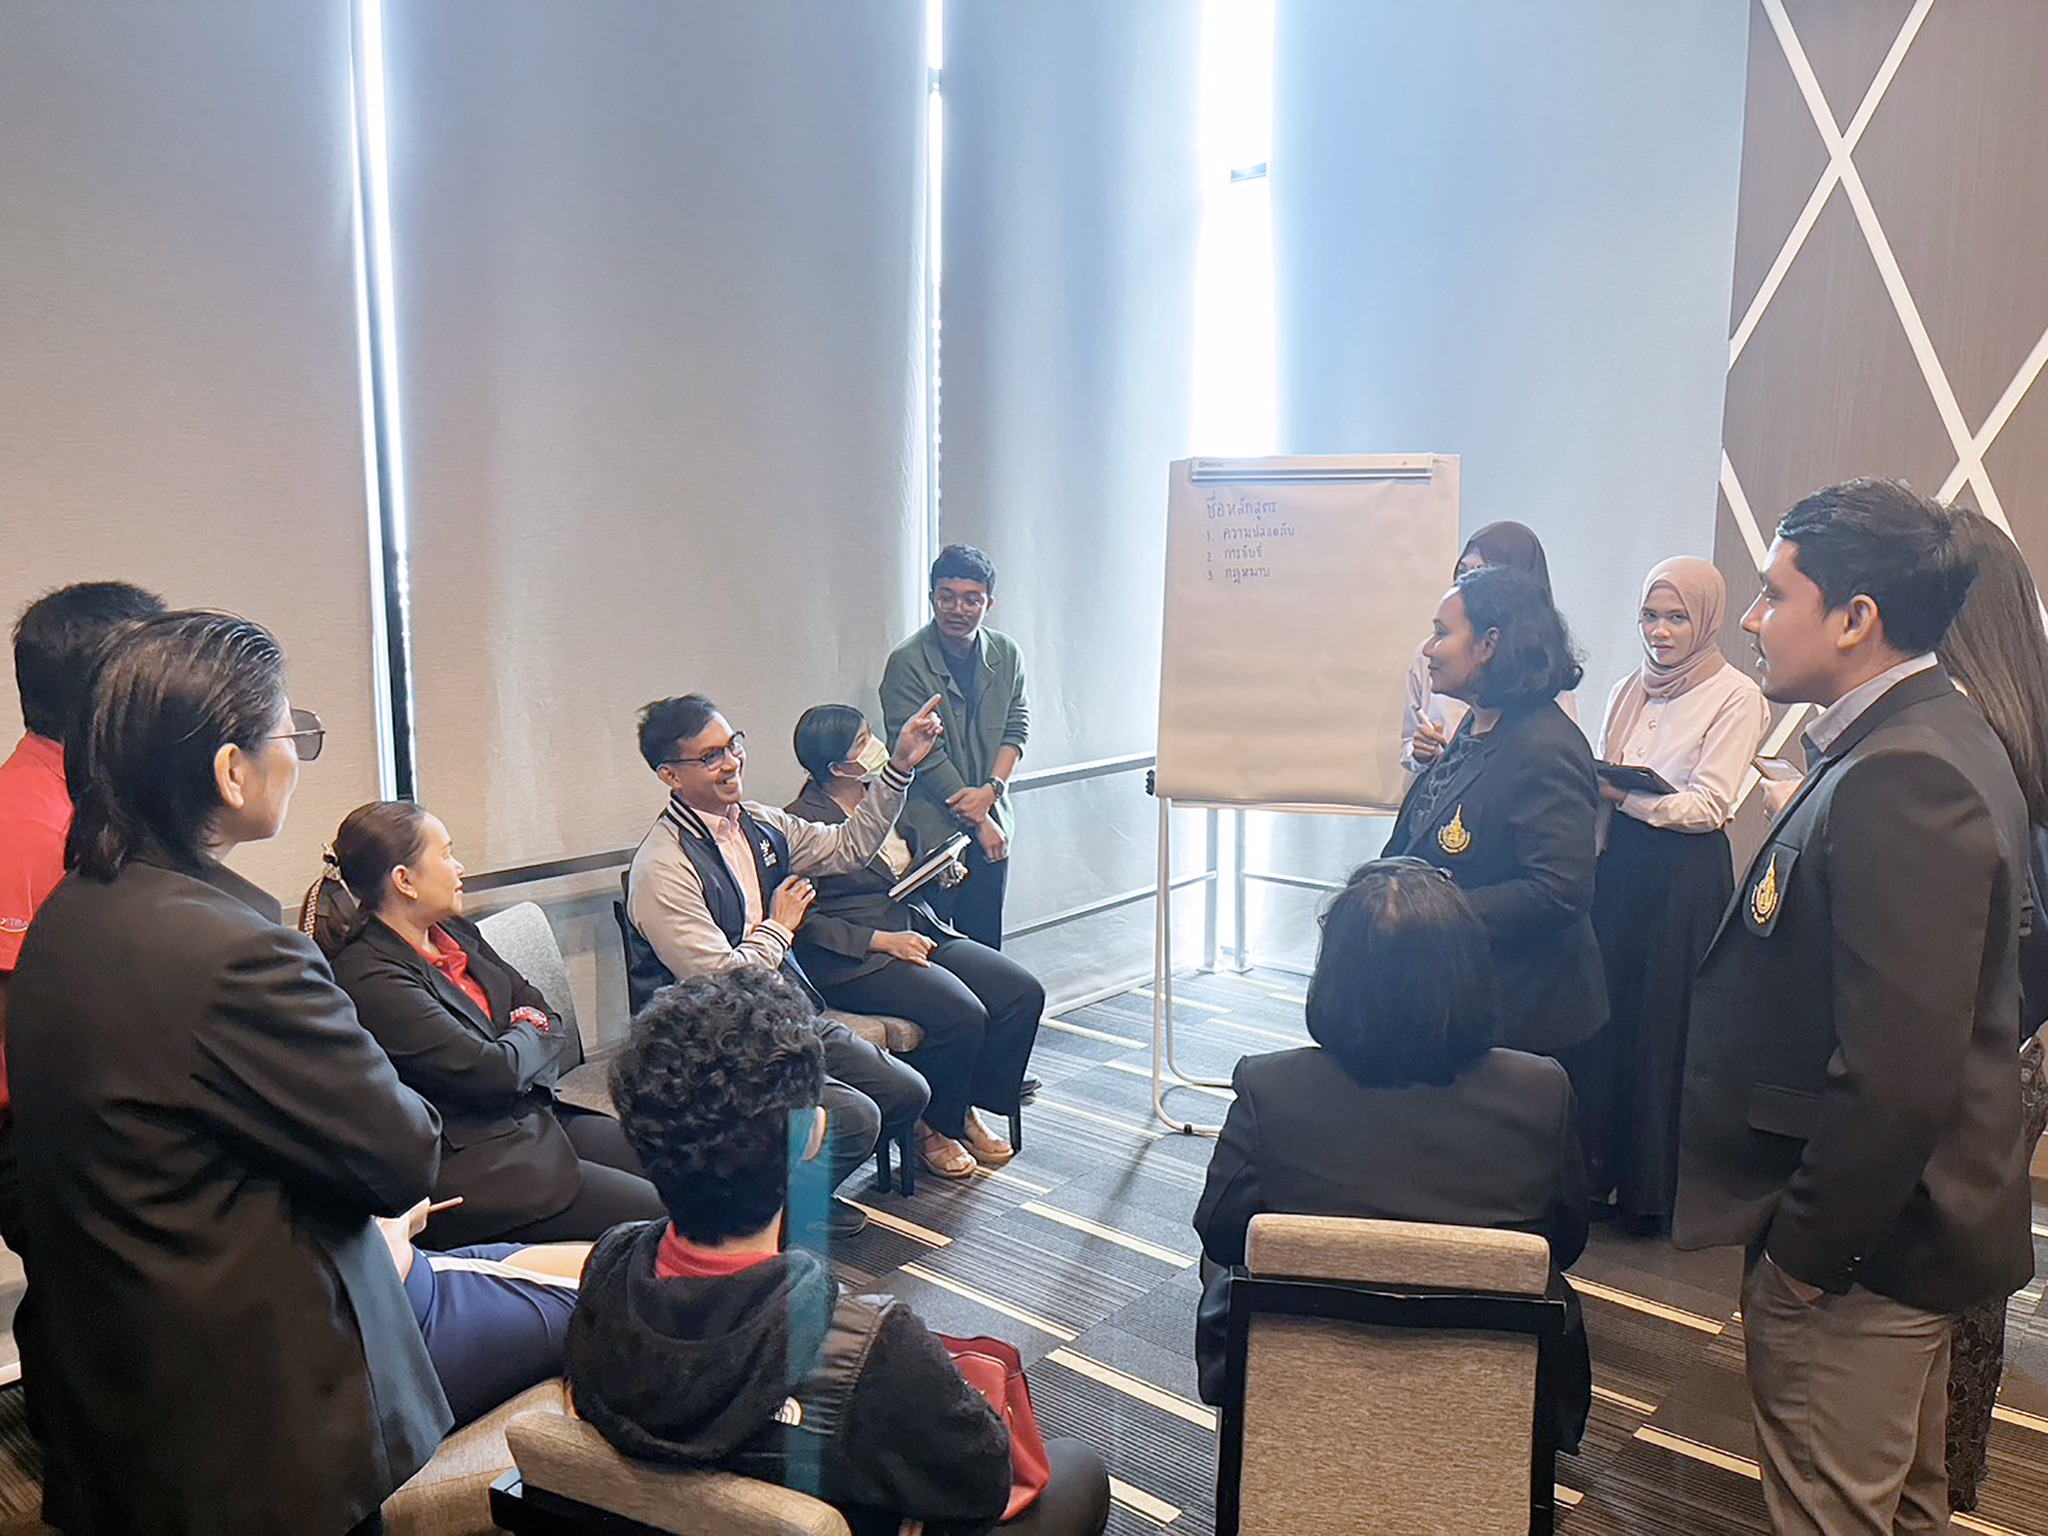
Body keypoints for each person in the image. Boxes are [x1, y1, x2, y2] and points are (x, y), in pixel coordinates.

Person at [6, 611, 449, 1534]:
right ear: (230, 770)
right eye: (292, 735)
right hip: (262, 1414)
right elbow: (403, 1155)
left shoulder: (70, 915)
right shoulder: (237, 952)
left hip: (136, 1380)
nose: (297, 757)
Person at [1674, 480, 2033, 1534]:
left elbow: (1896, 1072)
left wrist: (1804, 1258)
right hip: (1900, 1234)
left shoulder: (1904, 771)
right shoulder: (1926, 734)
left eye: (1773, 593)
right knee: (1902, 1507)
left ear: (1854, 618)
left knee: (1831, 1510)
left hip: (1864, 1254)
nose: (1751, 620)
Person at [565, 968, 1112, 1536]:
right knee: (1079, 1471)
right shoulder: (867, 1343)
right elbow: (982, 1483)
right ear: (812, 1136)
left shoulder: (606, 1268)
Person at [1191, 858, 1592, 1452]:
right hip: (1494, 1396)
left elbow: (1221, 1235)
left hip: (1297, 1387)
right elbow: (1567, 1242)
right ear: (1471, 970)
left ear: (1334, 973)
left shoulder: (1270, 1088)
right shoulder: (1541, 1091)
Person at [623, 691, 945, 1239]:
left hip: (780, 1017)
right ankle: (760, 1220)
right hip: (711, 1044)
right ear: (670, 776)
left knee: (906, 1091)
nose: (731, 763)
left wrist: (898, 768)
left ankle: (794, 1199)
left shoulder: (760, 822)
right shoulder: (663, 865)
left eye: (733, 745)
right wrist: (779, 925)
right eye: (710, 757)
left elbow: (849, 847)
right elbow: (723, 979)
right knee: (855, 1116)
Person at [313, 801, 666, 1247]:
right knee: (666, 1217)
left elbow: (540, 1009)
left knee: (682, 1167)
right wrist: (526, 1032)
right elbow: (492, 1071)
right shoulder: (370, 977)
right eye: (446, 854)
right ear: (404, 880)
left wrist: (519, 1039)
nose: (458, 867)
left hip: (534, 1119)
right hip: (483, 1166)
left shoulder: (453, 932)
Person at [1575, 558, 1770, 1234]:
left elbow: (1709, 806)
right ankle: (1594, 1177)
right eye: (1650, 616)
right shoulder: (1627, 688)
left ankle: (1651, 1193)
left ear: (1706, 620)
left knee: (1661, 1028)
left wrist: (1622, 796)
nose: (1660, 632)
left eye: (1677, 618)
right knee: (1606, 1019)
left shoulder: (1737, 695)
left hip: (1682, 878)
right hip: (1619, 871)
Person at [785, 704, 1042, 1179]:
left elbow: (901, 869)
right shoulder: (800, 822)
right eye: (863, 742)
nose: (876, 747)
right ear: (837, 767)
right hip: (856, 956)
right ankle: (933, 1127)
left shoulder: (885, 794)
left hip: (917, 923)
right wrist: (880, 940)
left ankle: (964, 1104)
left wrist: (940, 869)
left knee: (1020, 992)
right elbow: (806, 921)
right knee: (962, 1013)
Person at [1933, 507, 2048, 1513]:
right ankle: (1949, 1471)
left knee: (1941, 1269)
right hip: (2023, 1042)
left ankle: (1929, 1471)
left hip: (1981, 1040)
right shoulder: (2026, 724)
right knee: (1976, 1264)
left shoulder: (1964, 741)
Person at [1380, 564, 1607, 1056]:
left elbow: (1560, 891)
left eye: (1442, 633)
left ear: (1488, 645)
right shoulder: (1480, 722)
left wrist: (1426, 910)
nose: (1428, 649)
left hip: (1521, 1016)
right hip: (1465, 994)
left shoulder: (1546, 747)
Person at [0, 581, 162, 1263]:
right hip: (64, 1143)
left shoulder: (88, 801)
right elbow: (36, 1035)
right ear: (110, 694)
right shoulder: (27, 827)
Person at [881, 544, 1029, 950]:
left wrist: (992, 792)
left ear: (988, 603)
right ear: (932, 598)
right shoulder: (907, 662)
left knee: (986, 940)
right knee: (939, 947)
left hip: (993, 815)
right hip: (933, 826)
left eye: (971, 599)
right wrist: (980, 819)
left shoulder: (1006, 653)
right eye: (946, 597)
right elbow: (924, 755)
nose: (957, 609)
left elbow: (1016, 727)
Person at [373, 1196, 586, 1431]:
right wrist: (399, 1219)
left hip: (425, 1269)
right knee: (601, 1298)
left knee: (604, 1260)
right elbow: (373, 1279)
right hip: (412, 1324)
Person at [1403, 522, 1574, 770]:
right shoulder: (1434, 658)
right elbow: (1408, 743)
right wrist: (1420, 754)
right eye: (1462, 572)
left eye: (1482, 573)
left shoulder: (1545, 679)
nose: (1465, 585)